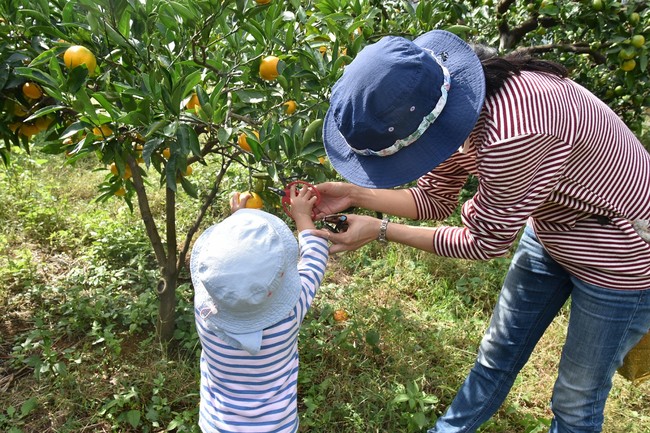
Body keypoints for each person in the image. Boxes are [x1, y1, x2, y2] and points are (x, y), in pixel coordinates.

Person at [316, 30, 650, 433]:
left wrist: (381, 230)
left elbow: (485, 242)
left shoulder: (512, 136)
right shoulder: (447, 100)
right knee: (496, 354)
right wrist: (356, 194)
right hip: (554, 229)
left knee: (575, 399)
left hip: (622, 252)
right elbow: (434, 199)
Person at [190, 186, 329, 433]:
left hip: (216, 425)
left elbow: (228, 272)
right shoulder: (291, 313)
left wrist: (236, 220)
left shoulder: (205, 312)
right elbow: (315, 257)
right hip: (278, 427)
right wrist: (302, 216)